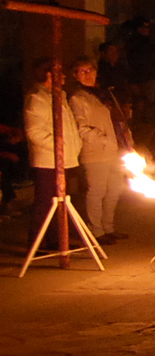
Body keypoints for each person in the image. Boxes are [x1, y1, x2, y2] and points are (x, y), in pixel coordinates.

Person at [24, 59, 83, 251]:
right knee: (45, 202)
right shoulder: (37, 98)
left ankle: (56, 239)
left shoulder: (59, 96)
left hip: (63, 158)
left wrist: (74, 145)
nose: (64, 76)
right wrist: (59, 147)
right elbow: (35, 132)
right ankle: (37, 242)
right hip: (48, 161)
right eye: (60, 72)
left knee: (60, 201)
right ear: (48, 75)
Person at [68, 58, 129, 244]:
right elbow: (81, 126)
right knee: (97, 190)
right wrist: (102, 139)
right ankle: (96, 230)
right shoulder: (78, 98)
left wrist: (126, 141)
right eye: (82, 71)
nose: (88, 74)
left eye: (90, 70)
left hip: (115, 150)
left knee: (115, 189)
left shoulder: (104, 94)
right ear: (75, 75)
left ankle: (108, 226)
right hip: (96, 152)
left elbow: (117, 121)